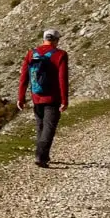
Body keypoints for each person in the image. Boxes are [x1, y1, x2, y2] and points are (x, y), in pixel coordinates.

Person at [17, 29, 69, 168]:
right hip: (53, 98)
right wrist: (65, 100)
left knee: (40, 126)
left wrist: (20, 98)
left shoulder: (31, 53)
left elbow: (24, 78)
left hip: (36, 97)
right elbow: (62, 79)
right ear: (57, 40)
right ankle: (40, 156)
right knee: (49, 128)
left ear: (44, 39)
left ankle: (42, 155)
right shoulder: (60, 54)